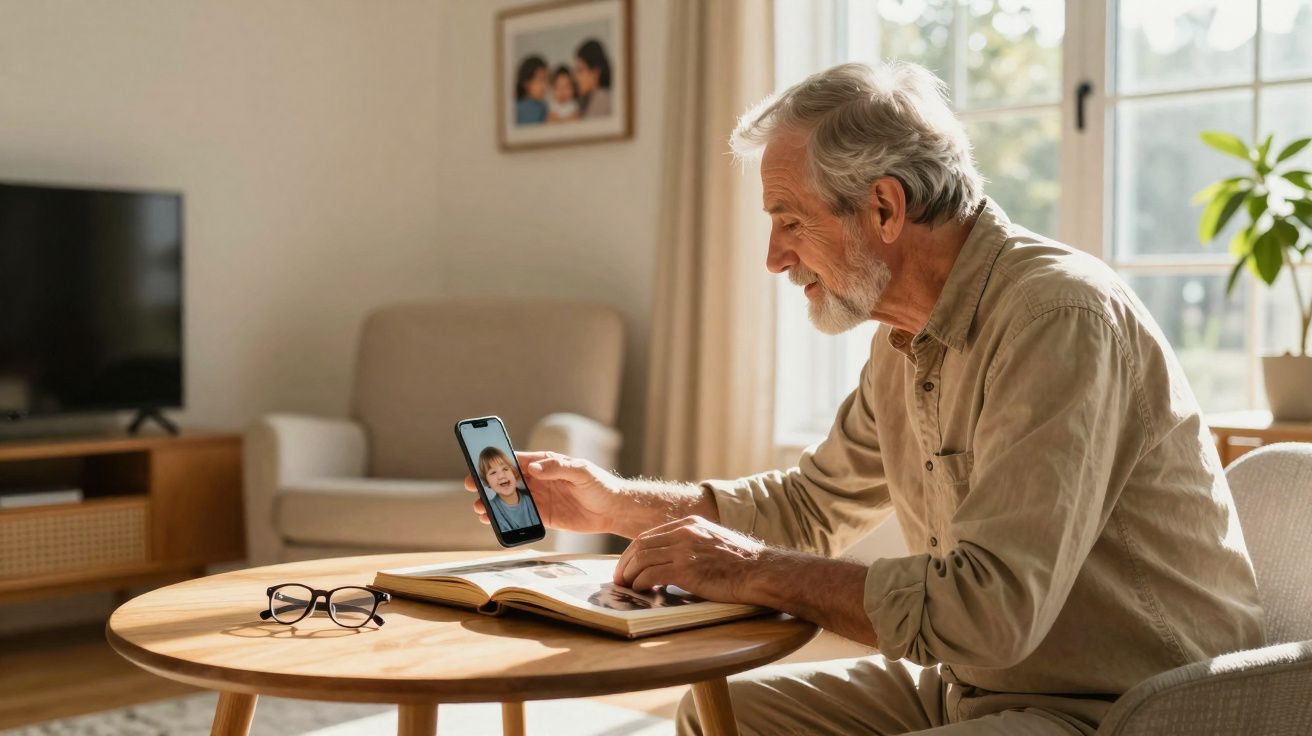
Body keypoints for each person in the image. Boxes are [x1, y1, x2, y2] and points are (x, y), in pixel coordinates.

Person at [466, 61, 1264, 735]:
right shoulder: (901, 335)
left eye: (790, 220)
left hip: (1124, 706)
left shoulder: (1057, 317)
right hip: (984, 686)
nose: (774, 258)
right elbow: (811, 506)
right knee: (720, 716)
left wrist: (750, 571)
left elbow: (992, 612)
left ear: (884, 207)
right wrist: (612, 505)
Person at [478, 447, 541, 531]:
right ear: (487, 481)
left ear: (513, 472)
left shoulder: (530, 500)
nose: (501, 476)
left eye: (505, 469)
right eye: (493, 472)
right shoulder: (491, 508)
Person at [573, 39, 611, 118]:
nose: (576, 78)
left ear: (595, 72)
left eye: (580, 70)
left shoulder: (602, 100)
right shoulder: (586, 100)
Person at [513, 55, 548, 126]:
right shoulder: (518, 110)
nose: (545, 86)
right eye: (540, 80)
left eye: (546, 80)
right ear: (526, 83)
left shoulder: (544, 106)